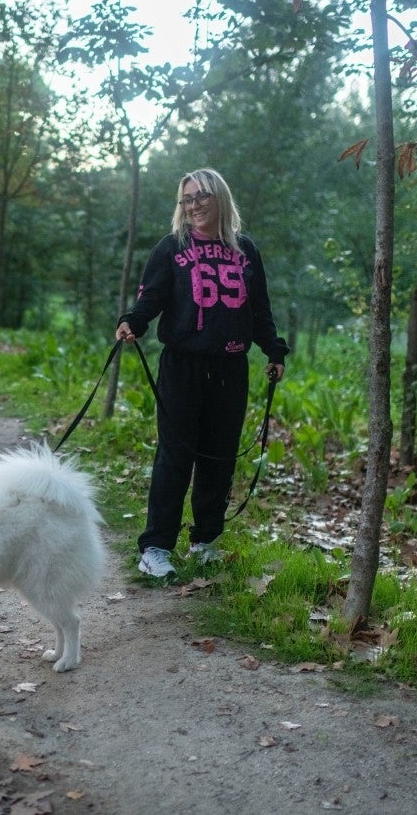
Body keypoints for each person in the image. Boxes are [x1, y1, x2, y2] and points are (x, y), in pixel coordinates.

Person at [115, 168, 288, 578]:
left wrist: (274, 349)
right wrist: (134, 322)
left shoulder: (246, 250)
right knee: (175, 457)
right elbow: (152, 296)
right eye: (186, 199)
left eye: (201, 196)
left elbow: (258, 308)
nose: (193, 205)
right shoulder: (171, 247)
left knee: (219, 458)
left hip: (231, 368)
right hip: (183, 366)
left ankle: (204, 541)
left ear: (220, 199)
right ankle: (155, 547)